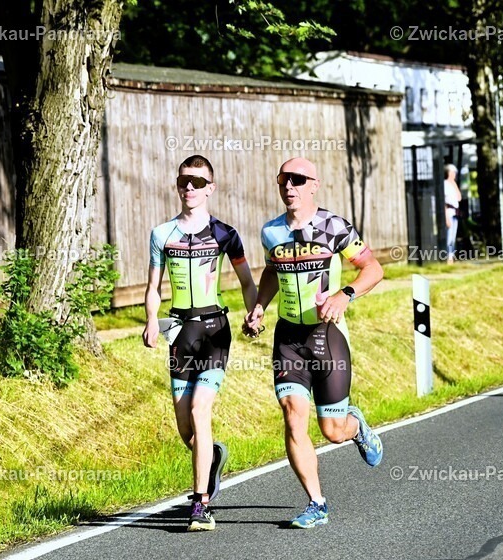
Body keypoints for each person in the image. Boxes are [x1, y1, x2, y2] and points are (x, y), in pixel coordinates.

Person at [244, 157, 384, 529]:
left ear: (313, 185)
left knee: (332, 431)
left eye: (297, 179)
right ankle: (316, 503)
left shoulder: (333, 226)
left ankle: (355, 426)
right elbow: (273, 270)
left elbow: (374, 268)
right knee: (292, 414)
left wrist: (345, 295)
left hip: (327, 336)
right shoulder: (271, 232)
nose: (289, 186)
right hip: (289, 337)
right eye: (282, 180)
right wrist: (259, 305)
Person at [144, 155, 257, 531]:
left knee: (199, 410)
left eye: (196, 181)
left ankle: (200, 505)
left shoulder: (225, 233)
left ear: (210, 188)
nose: (188, 187)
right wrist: (149, 320)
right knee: (185, 429)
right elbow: (152, 289)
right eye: (183, 181)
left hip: (214, 330)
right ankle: (213, 456)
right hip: (179, 331)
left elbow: (246, 282)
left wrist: (254, 312)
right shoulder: (162, 234)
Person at [443, 164, 462, 264]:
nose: (454, 174)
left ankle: (451, 256)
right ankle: (448, 257)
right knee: (449, 237)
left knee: (453, 237)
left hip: (455, 212)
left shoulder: (452, 184)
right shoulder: (445, 184)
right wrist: (446, 217)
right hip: (449, 213)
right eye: (453, 172)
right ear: (449, 173)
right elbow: (444, 202)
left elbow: (459, 197)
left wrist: (454, 183)